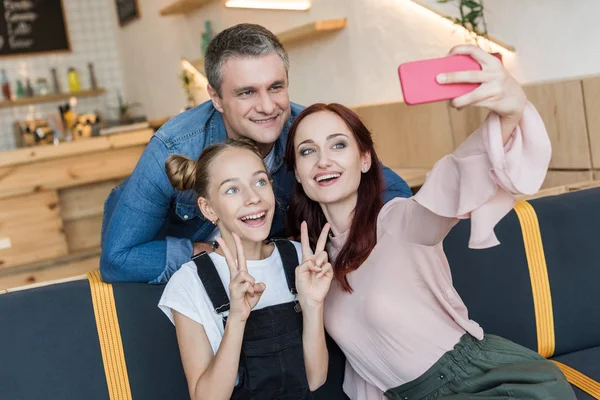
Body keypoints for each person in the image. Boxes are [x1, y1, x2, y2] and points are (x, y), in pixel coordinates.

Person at [285, 45, 576, 400]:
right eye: (307, 151)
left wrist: (511, 112)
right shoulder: (314, 263)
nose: (323, 161)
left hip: (481, 381)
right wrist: (311, 303)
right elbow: (324, 376)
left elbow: (453, 177)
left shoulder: (400, 221)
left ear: (364, 160)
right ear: (297, 174)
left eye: (338, 145)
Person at [100, 23, 411, 284]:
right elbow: (118, 258)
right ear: (216, 98)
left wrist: (339, 251)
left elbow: (394, 193)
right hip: (186, 267)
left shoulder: (305, 133)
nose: (267, 107)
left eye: (275, 87)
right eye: (247, 92)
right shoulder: (173, 148)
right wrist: (216, 253)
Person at [158, 138, 336, 399]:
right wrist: (237, 319)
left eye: (260, 182)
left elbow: (315, 378)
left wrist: (312, 305)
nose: (254, 198)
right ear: (208, 209)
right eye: (232, 190)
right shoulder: (188, 284)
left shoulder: (300, 259)